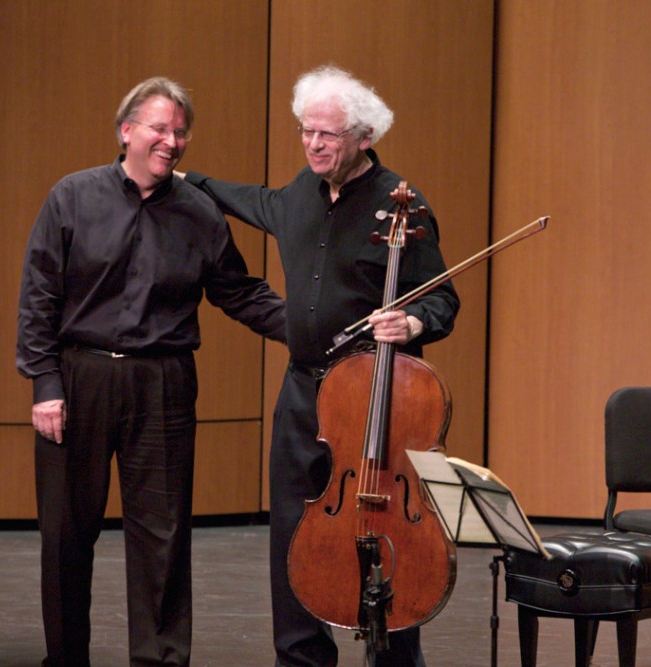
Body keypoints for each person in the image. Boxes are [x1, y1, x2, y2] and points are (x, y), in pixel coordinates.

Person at [182, 65, 460, 667]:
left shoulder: (400, 207)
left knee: (382, 536)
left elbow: (443, 300)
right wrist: (186, 178)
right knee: (293, 533)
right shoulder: (298, 196)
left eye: (326, 135)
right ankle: (301, 659)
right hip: (303, 395)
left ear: (362, 137)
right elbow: (249, 200)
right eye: (306, 132)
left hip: (373, 401)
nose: (313, 144)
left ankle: (391, 654)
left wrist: (411, 323)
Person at [16, 76, 286, 667]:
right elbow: (39, 297)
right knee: (65, 537)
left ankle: (160, 660)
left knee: (162, 539)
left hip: (162, 384)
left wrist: (310, 326)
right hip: (77, 379)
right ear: (127, 131)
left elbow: (239, 293)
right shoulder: (72, 196)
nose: (172, 140)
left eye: (180, 131)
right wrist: (45, 385)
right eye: (160, 128)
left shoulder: (200, 213)